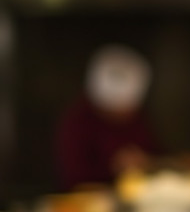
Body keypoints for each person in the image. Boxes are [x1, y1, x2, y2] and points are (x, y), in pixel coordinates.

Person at [55, 45, 161, 190]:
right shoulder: (77, 122)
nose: (122, 114)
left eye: (127, 108)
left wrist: (147, 163)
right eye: (114, 109)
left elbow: (155, 153)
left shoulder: (138, 121)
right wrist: (114, 168)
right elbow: (74, 177)